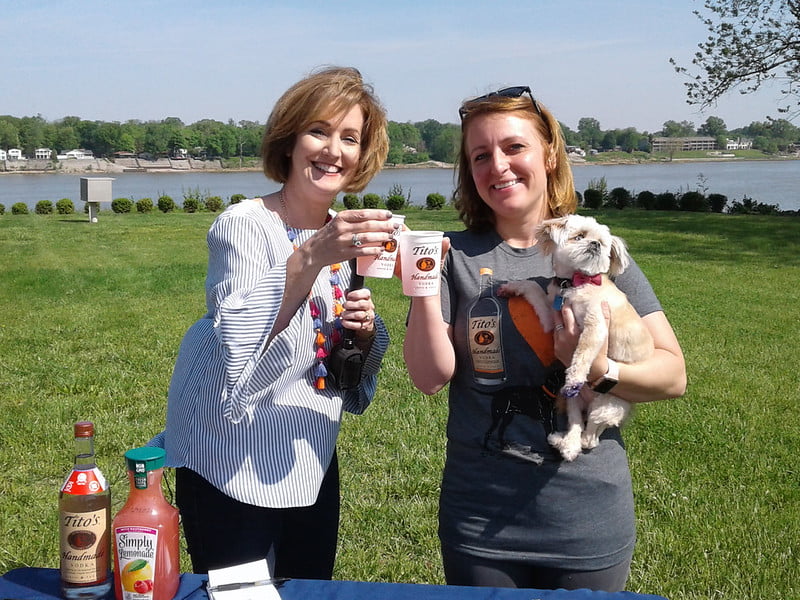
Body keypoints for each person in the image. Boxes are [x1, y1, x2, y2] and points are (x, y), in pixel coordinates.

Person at [403, 86, 686, 592]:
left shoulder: (597, 253)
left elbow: (673, 375)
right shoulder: (452, 257)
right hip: (479, 520)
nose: (499, 166)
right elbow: (428, 378)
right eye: (481, 155)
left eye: (514, 148)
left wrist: (600, 370)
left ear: (549, 154)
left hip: (586, 519)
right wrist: (422, 280)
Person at [150, 66, 397, 579]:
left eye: (349, 137)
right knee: (240, 592)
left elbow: (342, 365)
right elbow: (236, 337)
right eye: (319, 131)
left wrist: (365, 334)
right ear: (289, 142)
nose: (334, 149)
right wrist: (312, 256)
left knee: (308, 588)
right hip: (228, 459)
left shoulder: (342, 240)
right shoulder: (243, 225)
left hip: (308, 453)